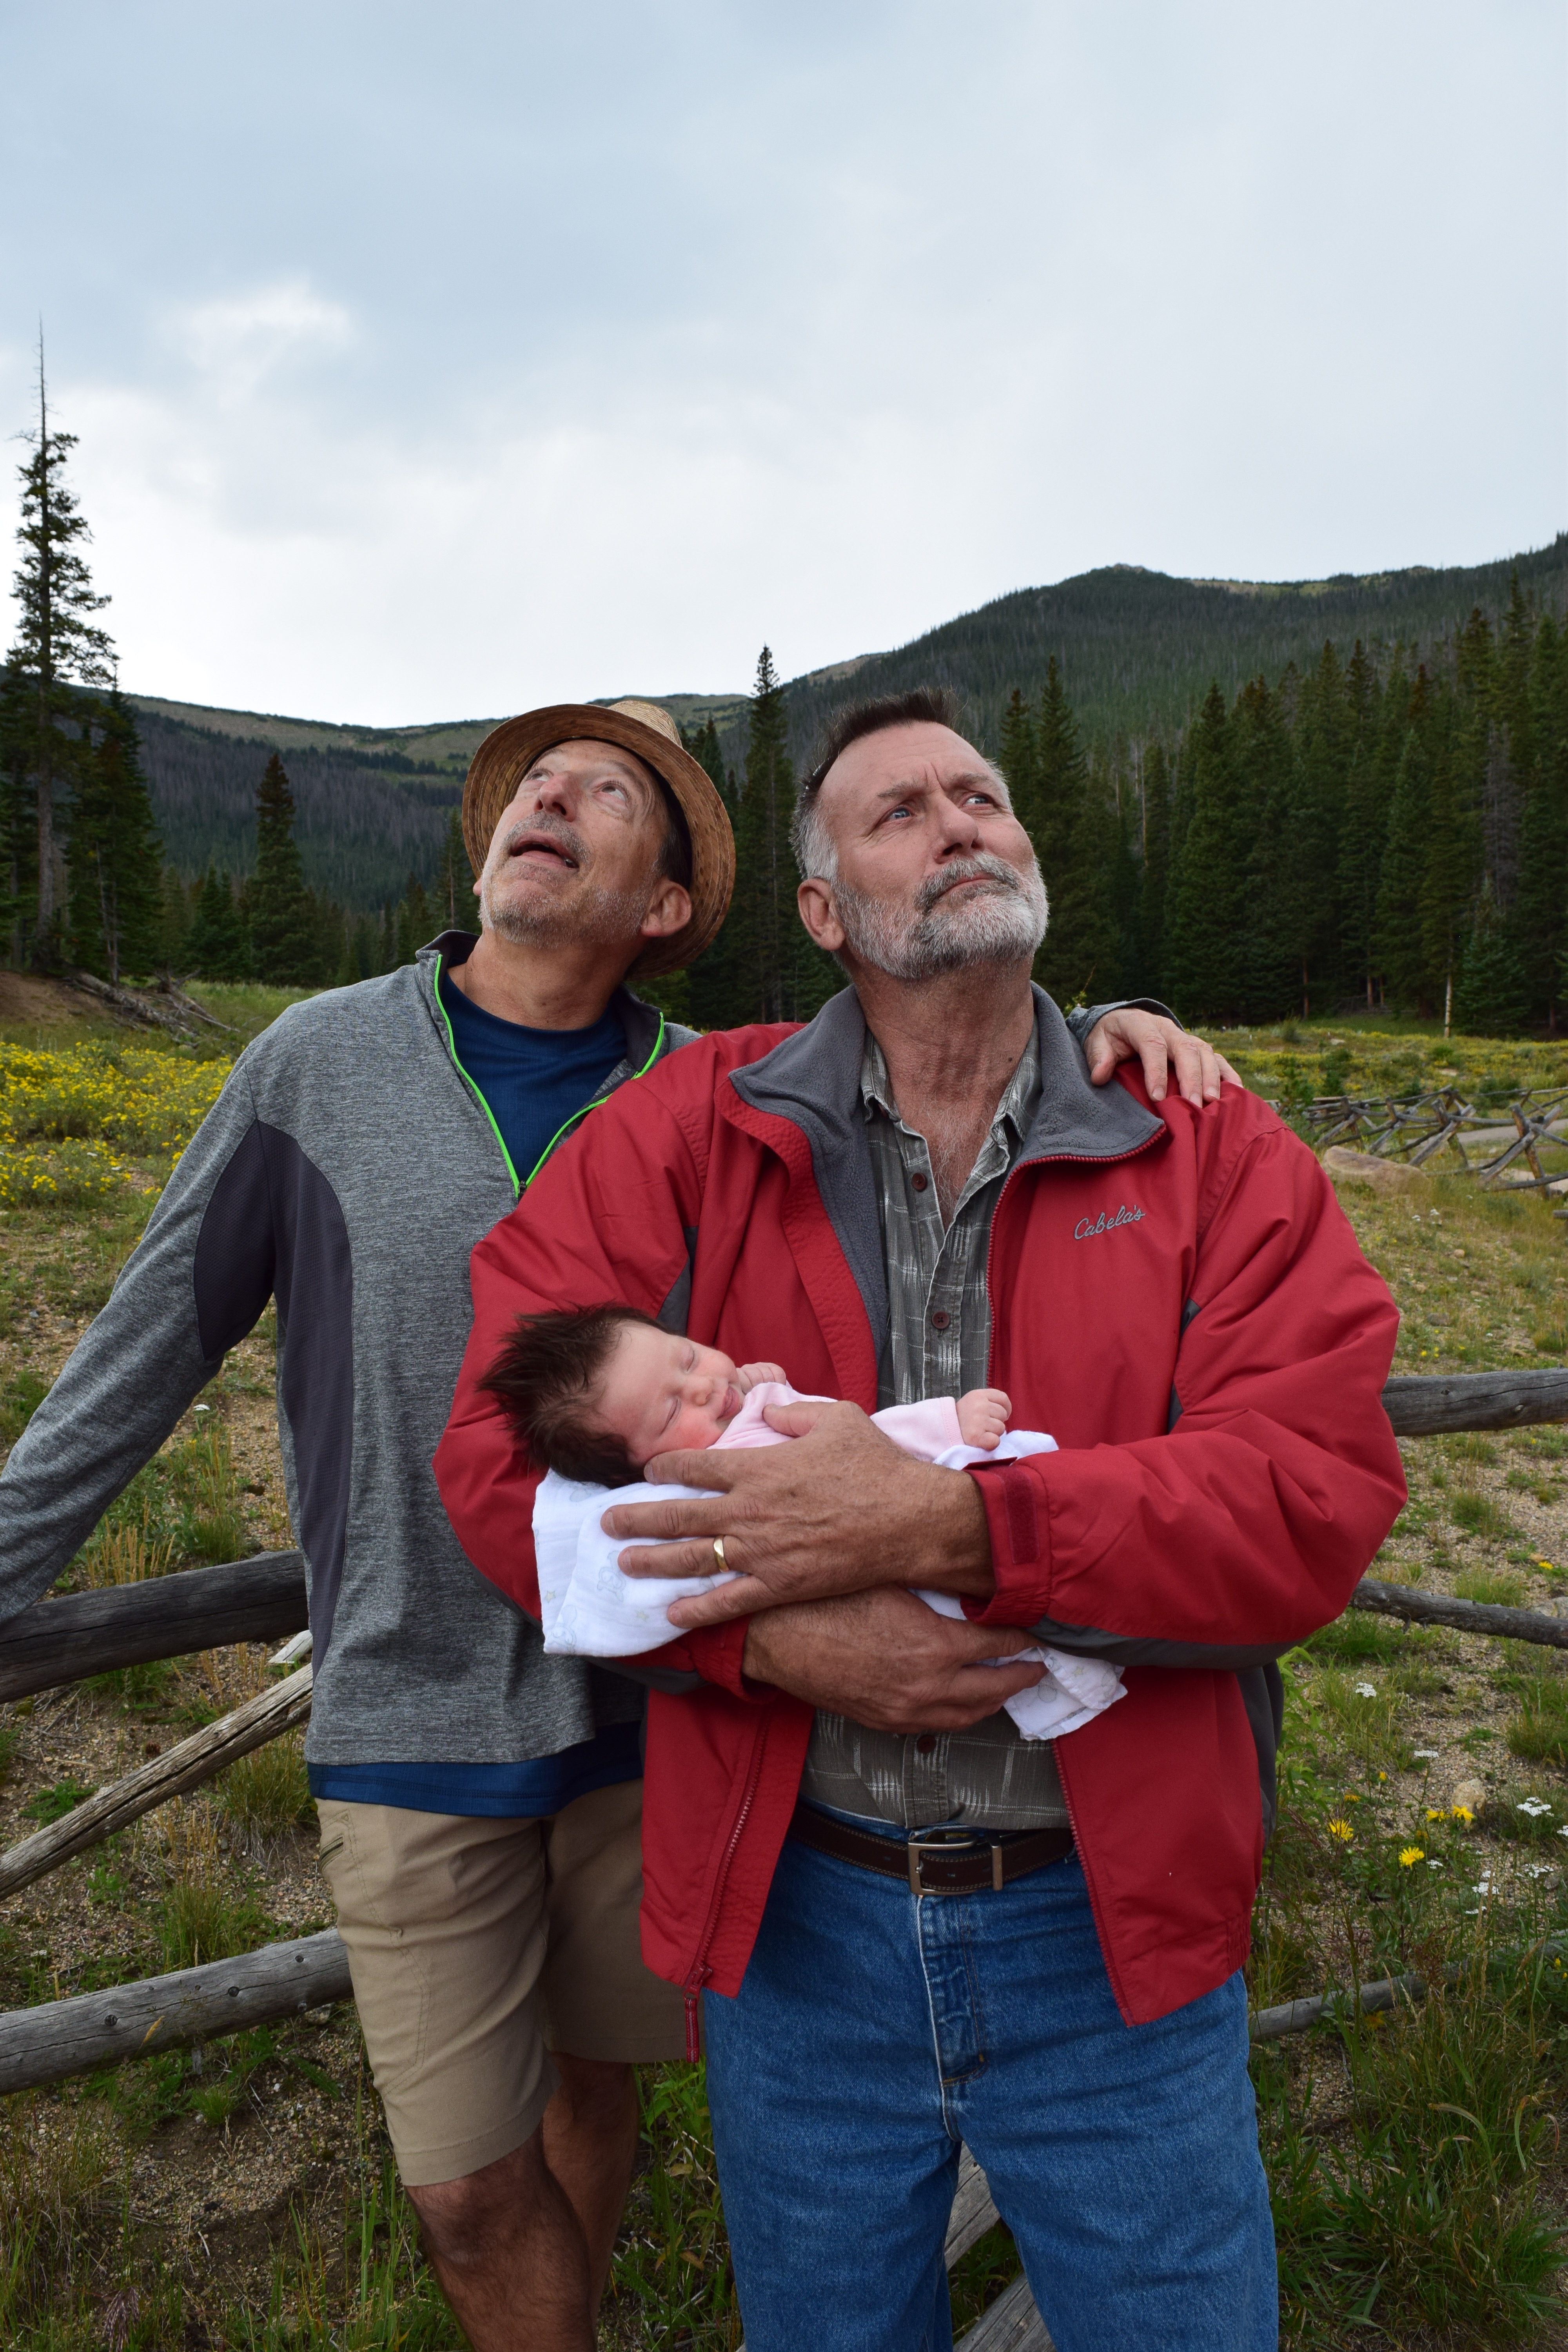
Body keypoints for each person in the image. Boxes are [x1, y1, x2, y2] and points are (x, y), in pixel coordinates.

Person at [0, 688, 1212, 2352]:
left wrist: (1110, 1024)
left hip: (662, 1719)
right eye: (533, 782)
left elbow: (946, 1016)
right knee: (464, 2190)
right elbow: (141, 1351)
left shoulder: (719, 1093)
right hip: (415, 1700)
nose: (551, 798)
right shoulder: (316, 1064)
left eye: (607, 794)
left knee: (599, 2097)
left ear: (665, 905)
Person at [434, 686, 1408, 2352]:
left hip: (1111, 1927)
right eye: (899, 811)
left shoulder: (1205, 1143)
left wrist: (955, 1531)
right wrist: (774, 1643)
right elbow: (492, 1450)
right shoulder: (688, 1129)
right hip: (799, 1925)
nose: (958, 822)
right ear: (825, 914)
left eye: (980, 796)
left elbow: (1312, 1494)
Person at [485, 1303, 1122, 1744]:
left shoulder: (745, 1406)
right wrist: (946, 1423)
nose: (702, 1388)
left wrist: (761, 1387)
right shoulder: (705, 1483)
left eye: (688, 1358)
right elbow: (863, 1447)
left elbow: (844, 1443)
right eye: (672, 1410)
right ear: (644, 1469)